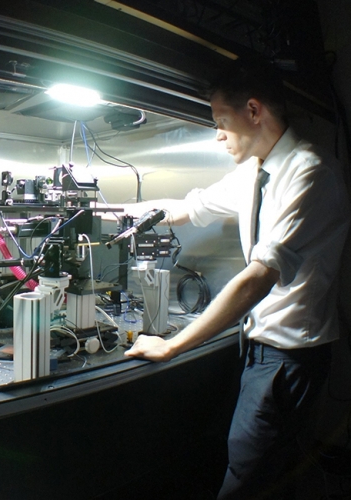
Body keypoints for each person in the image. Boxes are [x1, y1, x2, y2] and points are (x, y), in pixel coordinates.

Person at [107, 60, 351, 498]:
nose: (217, 135)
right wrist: (112, 211)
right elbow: (188, 207)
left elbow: (258, 277)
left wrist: (172, 345)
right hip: (261, 347)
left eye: (221, 121)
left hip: (289, 357)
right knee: (266, 467)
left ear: (254, 111)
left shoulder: (310, 172)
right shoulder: (255, 170)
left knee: (249, 475)